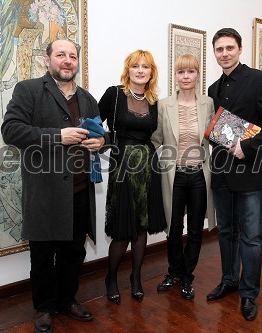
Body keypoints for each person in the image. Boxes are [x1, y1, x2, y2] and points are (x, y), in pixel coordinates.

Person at [1, 39, 106, 333]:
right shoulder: (29, 90)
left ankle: (67, 300)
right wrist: (58, 135)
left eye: (72, 56)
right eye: (61, 55)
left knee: (75, 252)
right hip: (45, 192)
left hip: (81, 190)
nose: (67, 60)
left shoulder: (87, 98)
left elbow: (99, 133)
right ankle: (44, 308)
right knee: (44, 256)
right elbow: (11, 130)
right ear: (47, 60)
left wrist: (102, 142)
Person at [206, 28, 262, 321]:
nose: (224, 53)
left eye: (229, 48)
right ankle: (229, 280)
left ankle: (249, 293)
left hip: (250, 171)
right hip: (221, 174)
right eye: (219, 49)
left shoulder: (260, 80)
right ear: (214, 53)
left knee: (251, 237)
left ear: (240, 50)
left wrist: (249, 146)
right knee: (226, 232)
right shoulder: (213, 90)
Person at [98, 50, 167, 304]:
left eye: (145, 67)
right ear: (128, 70)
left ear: (151, 72)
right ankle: (111, 278)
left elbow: (157, 136)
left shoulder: (154, 101)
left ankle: (136, 277)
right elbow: (95, 125)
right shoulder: (114, 94)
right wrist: (105, 141)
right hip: (123, 167)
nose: (140, 70)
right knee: (122, 229)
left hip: (148, 166)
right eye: (135, 66)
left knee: (141, 225)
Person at [151, 54, 216, 300]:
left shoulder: (208, 103)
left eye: (190, 72)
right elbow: (155, 138)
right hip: (174, 176)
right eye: (181, 72)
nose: (186, 77)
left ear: (198, 74)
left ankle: (188, 275)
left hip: (199, 175)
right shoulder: (163, 105)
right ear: (175, 76)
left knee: (196, 230)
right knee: (174, 229)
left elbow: (215, 135)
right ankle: (174, 273)